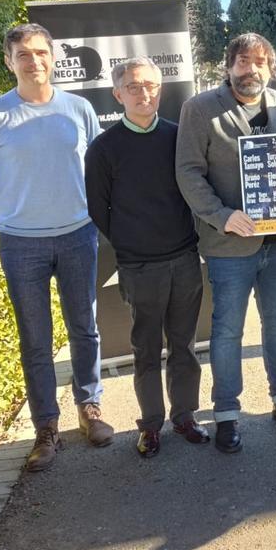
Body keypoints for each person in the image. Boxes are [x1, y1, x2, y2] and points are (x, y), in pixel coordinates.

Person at [0, 22, 113, 472]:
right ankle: (46, 426)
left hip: (77, 236)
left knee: (84, 327)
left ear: (53, 56)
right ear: (10, 62)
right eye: (23, 55)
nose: (34, 61)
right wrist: (6, 216)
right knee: (35, 338)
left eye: (40, 53)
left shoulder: (79, 109)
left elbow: (99, 167)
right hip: (20, 244)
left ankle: (91, 409)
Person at [175, 33, 276, 454]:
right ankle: (227, 413)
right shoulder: (199, 109)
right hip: (229, 243)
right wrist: (222, 216)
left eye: (260, 61)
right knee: (228, 330)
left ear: (271, 67)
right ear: (228, 64)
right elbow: (188, 173)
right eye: (243, 60)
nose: (251, 68)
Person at [84, 58, 209, 458]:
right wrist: (132, 244)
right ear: (118, 94)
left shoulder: (178, 138)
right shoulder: (104, 148)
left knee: (185, 347)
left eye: (152, 86)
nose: (145, 94)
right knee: (146, 350)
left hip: (184, 260)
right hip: (139, 267)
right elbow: (98, 210)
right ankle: (151, 425)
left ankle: (185, 416)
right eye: (134, 87)